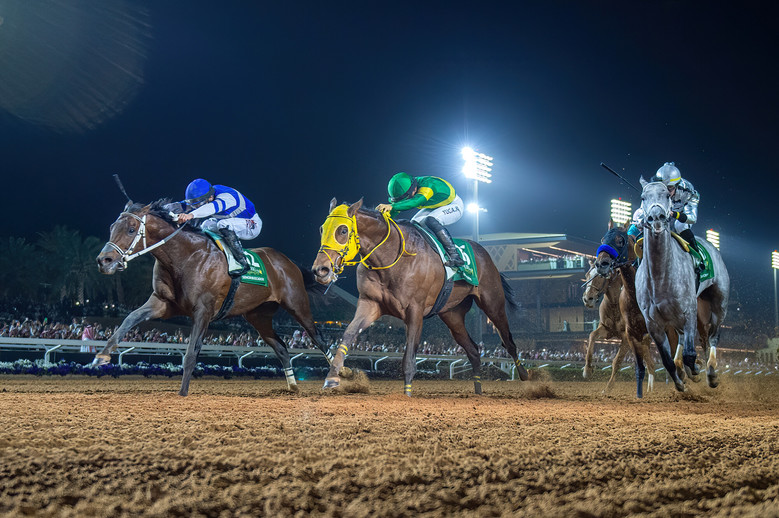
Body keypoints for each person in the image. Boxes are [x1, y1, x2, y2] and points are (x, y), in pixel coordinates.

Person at [175, 178, 262, 277]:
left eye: (199, 205)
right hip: (232, 222)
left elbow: (211, 208)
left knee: (223, 224)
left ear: (211, 197)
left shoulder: (227, 197)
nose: (197, 207)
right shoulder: (206, 195)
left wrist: (190, 215)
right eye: (194, 205)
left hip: (252, 225)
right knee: (205, 225)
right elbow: (181, 205)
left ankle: (242, 263)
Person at [376, 172, 465, 267]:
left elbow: (415, 202)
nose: (405, 201)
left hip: (453, 204)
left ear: (414, 188)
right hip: (434, 205)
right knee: (413, 224)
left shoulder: (428, 186)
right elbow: (397, 208)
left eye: (407, 198)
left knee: (431, 220)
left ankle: (455, 256)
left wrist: (392, 206)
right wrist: (382, 220)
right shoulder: (410, 186)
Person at [628, 162, 704, 271]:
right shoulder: (653, 188)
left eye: (670, 188)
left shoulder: (688, 192)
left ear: (677, 186)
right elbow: (641, 212)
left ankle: (697, 257)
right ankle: (638, 258)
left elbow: (692, 218)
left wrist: (675, 214)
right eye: (663, 187)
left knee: (680, 226)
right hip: (662, 213)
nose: (666, 191)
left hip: (679, 214)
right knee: (645, 222)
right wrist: (640, 222)